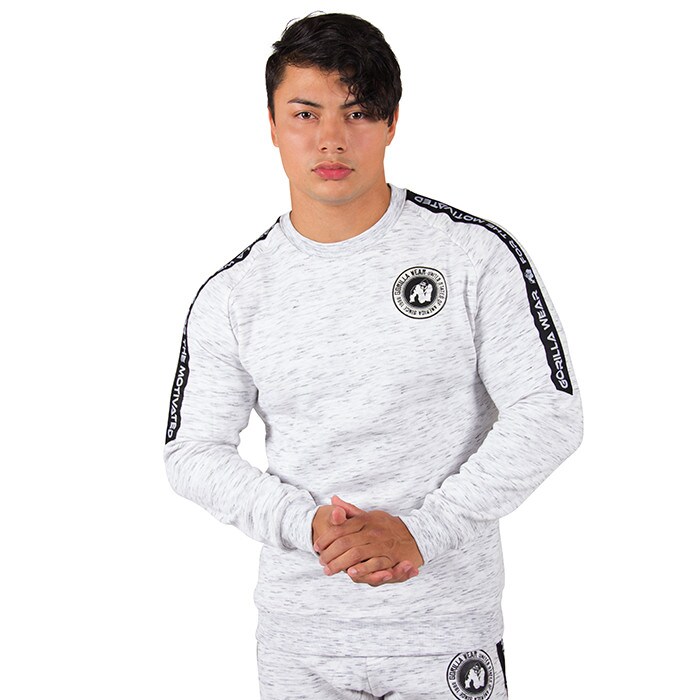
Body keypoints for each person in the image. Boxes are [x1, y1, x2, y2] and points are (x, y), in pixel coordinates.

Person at [163, 11, 583, 700]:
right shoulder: (234, 294)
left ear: (391, 123)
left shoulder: (473, 256)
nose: (331, 138)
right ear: (272, 124)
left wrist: (424, 531)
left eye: (357, 112)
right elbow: (192, 451)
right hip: (303, 639)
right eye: (305, 114)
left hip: (443, 630)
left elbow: (549, 411)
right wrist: (306, 525)